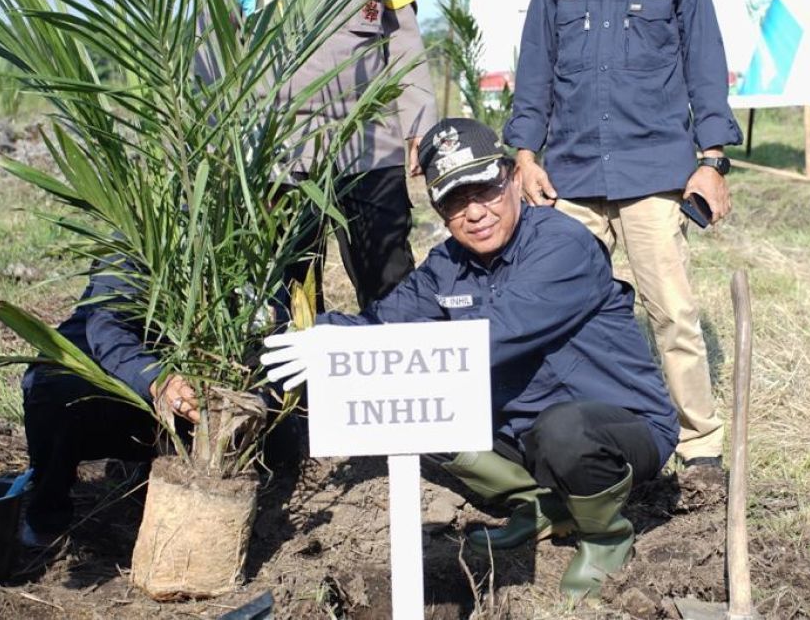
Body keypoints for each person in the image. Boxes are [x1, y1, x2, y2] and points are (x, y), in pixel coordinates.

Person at [267, 118, 680, 599]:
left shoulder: (562, 245)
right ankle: (543, 505)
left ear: (511, 179)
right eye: (455, 201)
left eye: (484, 189)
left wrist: (360, 348)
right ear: (440, 210)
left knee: (563, 430)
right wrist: (314, 336)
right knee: (409, 404)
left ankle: (606, 537)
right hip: (521, 433)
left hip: (620, 427)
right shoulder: (447, 264)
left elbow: (495, 334)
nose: (475, 212)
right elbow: (383, 325)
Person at [504, 0, 743, 470]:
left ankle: (699, 445)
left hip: (654, 177)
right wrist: (524, 157)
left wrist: (713, 162)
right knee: (557, 314)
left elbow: (704, 70)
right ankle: (562, 434)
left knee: (672, 314)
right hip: (570, 182)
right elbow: (535, 75)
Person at [224, 0, 437, 312]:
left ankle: (394, 381)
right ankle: (290, 391)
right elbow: (213, 46)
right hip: (278, 156)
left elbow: (402, 36)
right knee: (286, 297)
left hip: (368, 147)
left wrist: (419, 127)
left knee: (391, 284)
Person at [21, 265, 199, 543]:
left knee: (279, 443)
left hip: (183, 373)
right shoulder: (141, 234)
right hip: (112, 368)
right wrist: (158, 381)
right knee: (54, 390)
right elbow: (109, 328)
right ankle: (48, 512)